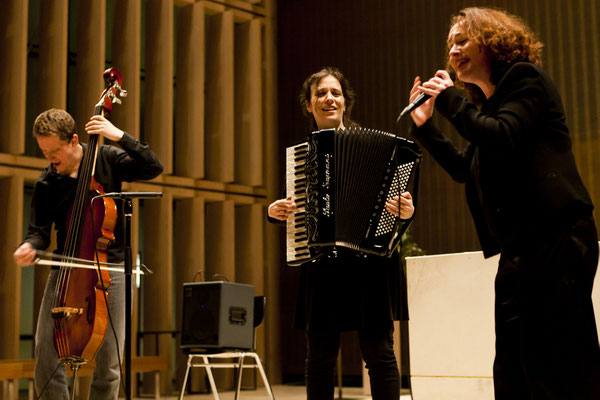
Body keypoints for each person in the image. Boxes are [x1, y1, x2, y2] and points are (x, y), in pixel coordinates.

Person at [407, 7, 600, 399]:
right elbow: (467, 168)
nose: (454, 50)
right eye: (450, 45)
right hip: (520, 251)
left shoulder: (525, 81)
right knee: (513, 366)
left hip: (558, 240)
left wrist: (448, 101)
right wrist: (426, 126)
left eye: (462, 40)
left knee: (562, 362)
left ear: (491, 42)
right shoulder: (489, 110)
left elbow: (501, 135)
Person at [268, 67, 415, 399]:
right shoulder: (301, 157)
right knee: (319, 358)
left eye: (335, 92)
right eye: (320, 93)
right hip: (322, 265)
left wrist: (407, 212)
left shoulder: (382, 147)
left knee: (379, 354)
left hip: (371, 264)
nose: (328, 98)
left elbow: (399, 204)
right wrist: (274, 213)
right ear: (308, 104)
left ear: (346, 102)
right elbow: (294, 209)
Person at [13, 108, 163, 400]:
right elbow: (40, 231)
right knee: (47, 350)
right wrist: (29, 246)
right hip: (65, 270)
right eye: (44, 151)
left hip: (111, 270)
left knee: (109, 360)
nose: (50, 158)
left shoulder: (106, 158)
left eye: (54, 150)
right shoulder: (47, 182)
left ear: (73, 141)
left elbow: (152, 167)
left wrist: (119, 136)